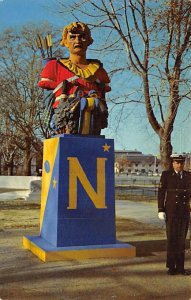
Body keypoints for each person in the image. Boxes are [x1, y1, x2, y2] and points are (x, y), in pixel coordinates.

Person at [38, 21, 111, 135]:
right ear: (65, 42)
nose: (77, 41)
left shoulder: (99, 71)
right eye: (72, 37)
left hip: (94, 125)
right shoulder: (54, 67)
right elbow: (47, 99)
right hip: (64, 125)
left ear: (89, 41)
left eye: (82, 37)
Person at [158, 153, 191, 275]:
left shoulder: (188, 176)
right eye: (177, 163)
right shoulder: (166, 175)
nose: (179, 165)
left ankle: (181, 267)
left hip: (184, 212)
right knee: (172, 239)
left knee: (182, 240)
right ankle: (171, 267)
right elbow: (161, 193)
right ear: (173, 163)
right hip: (171, 212)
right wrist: (161, 209)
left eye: (181, 163)